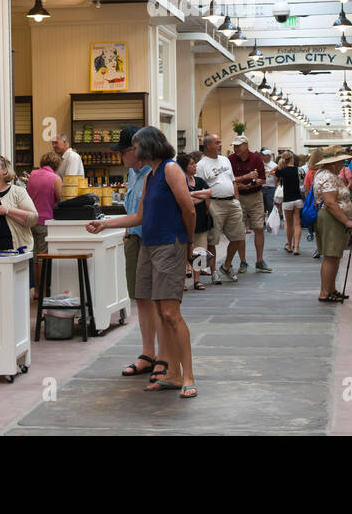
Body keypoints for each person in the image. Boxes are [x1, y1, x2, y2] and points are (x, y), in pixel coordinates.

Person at [88, 127, 198, 399]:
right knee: (160, 311)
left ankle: (187, 375)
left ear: (148, 145)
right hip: (149, 246)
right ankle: (173, 374)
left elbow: (189, 209)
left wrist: (187, 242)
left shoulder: (170, 169)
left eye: (136, 146)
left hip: (169, 244)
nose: (133, 151)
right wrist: (105, 224)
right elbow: (139, 216)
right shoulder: (150, 175)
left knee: (171, 313)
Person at [112, 127, 161, 380]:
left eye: (122, 152)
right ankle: (148, 353)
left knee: (161, 301)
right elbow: (133, 208)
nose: (120, 157)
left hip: (155, 241)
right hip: (134, 238)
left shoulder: (157, 172)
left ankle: (165, 357)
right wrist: (128, 232)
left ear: (135, 150)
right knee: (141, 298)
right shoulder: (132, 173)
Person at [195, 133, 244, 284]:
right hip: (214, 203)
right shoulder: (201, 165)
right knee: (213, 240)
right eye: (217, 142)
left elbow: (233, 180)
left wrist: (236, 198)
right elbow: (201, 188)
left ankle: (226, 265)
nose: (220, 145)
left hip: (231, 202)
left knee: (238, 236)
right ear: (208, 145)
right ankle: (213, 271)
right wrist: (208, 206)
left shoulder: (225, 160)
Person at [310, 147, 352, 302]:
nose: (343, 164)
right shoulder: (328, 177)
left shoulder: (325, 175)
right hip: (332, 218)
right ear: (333, 163)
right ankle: (325, 292)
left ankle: (331, 289)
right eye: (340, 161)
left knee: (334, 255)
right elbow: (330, 202)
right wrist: (347, 221)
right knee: (331, 255)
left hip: (333, 218)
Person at [228, 136, 271, 274]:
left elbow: (262, 179)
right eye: (234, 146)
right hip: (238, 197)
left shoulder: (255, 158)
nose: (236, 148)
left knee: (259, 227)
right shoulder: (230, 159)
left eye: (238, 146)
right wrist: (245, 178)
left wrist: (250, 184)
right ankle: (243, 261)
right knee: (240, 230)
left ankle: (259, 260)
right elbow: (228, 179)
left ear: (246, 145)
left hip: (255, 196)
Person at [26, 151, 62, 295]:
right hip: (45, 221)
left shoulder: (32, 175)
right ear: (56, 164)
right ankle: (43, 290)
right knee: (43, 258)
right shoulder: (55, 178)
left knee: (34, 257)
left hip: (31, 220)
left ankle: (36, 290)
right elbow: (60, 199)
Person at [179, 151, 213, 290]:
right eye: (192, 164)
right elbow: (185, 201)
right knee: (182, 252)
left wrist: (191, 194)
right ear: (185, 166)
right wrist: (199, 197)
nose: (195, 166)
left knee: (199, 251)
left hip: (200, 221)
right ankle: (181, 282)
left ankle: (197, 280)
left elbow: (209, 193)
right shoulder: (180, 182)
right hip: (184, 222)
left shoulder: (199, 181)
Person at [276, 151, 304, 255]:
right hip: (298, 199)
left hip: (287, 200)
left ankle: (289, 245)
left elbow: (274, 172)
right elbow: (302, 183)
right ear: (292, 158)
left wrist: (281, 163)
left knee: (289, 223)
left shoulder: (282, 171)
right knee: (297, 223)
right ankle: (296, 247)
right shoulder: (299, 170)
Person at [261, 148, 278, 217]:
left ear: (269, 156)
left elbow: (277, 177)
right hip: (262, 187)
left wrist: (276, 187)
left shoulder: (274, 165)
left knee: (270, 205)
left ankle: (271, 220)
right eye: (262, 155)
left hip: (271, 188)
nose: (263, 156)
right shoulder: (260, 164)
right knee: (261, 206)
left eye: (264, 155)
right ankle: (262, 221)